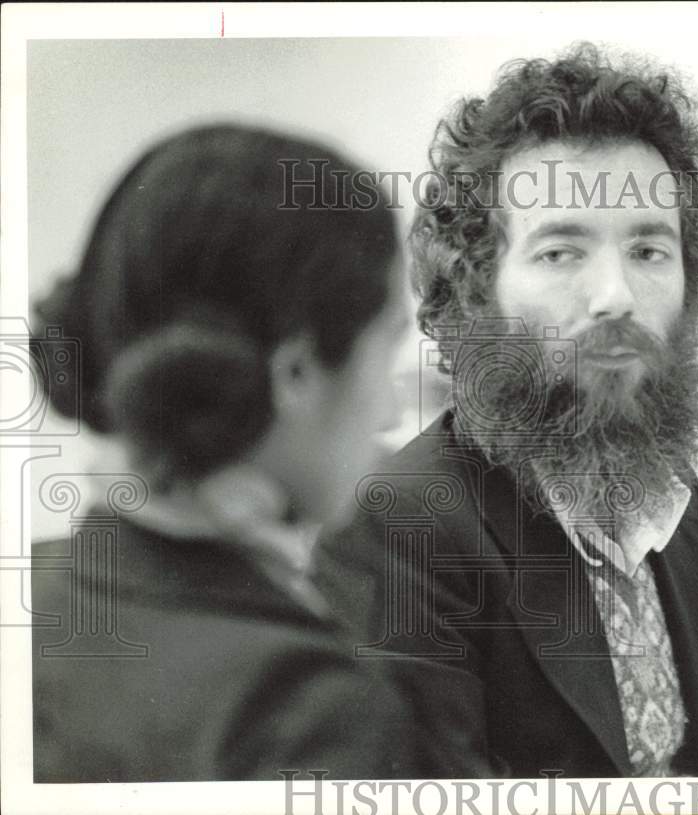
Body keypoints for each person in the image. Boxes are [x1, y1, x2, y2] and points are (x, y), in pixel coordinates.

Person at [315, 43, 698, 777]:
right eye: (562, 252)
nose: (617, 295)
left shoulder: (675, 501)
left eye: (651, 251)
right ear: (474, 286)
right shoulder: (407, 528)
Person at [29, 124, 411, 781]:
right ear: (294, 372)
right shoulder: (305, 708)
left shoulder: (31, 590)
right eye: (389, 346)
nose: (393, 410)